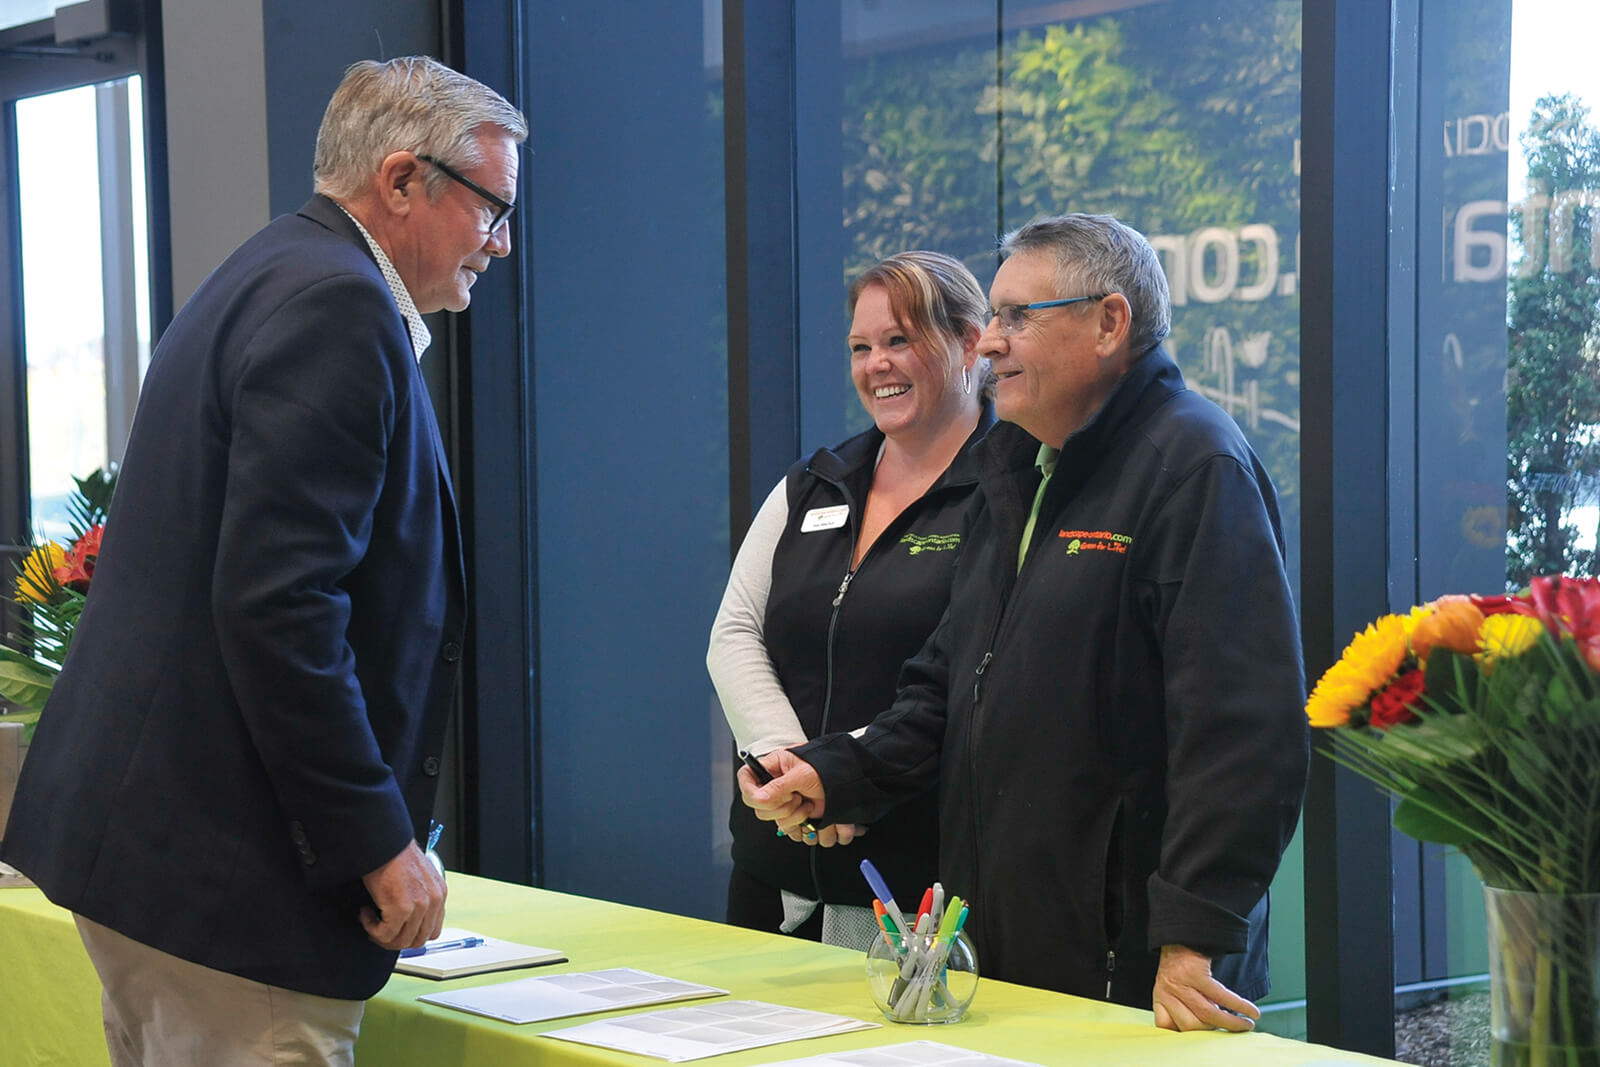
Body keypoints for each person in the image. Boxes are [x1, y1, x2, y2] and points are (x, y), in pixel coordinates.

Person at [0, 57, 526, 1065]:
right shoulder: (338, 309)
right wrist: (376, 839)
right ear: (403, 180)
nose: (500, 242)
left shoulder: (269, 267)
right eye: (492, 208)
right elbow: (280, 610)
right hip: (229, 881)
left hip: (158, 860)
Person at [741, 213, 1309, 1032]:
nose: (989, 342)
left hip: (1138, 966)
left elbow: (1242, 733)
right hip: (1007, 948)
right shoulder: (1015, 467)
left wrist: (1193, 937)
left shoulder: (1194, 467)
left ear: (1110, 322)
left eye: (1016, 317)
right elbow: (946, 682)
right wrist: (838, 774)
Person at [709, 251, 994, 949]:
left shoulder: (1007, 494)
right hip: (774, 873)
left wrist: (836, 775)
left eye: (900, 340)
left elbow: (963, 681)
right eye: (861, 348)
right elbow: (734, 633)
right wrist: (793, 769)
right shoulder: (816, 482)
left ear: (968, 342)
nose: (877, 365)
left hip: (917, 892)